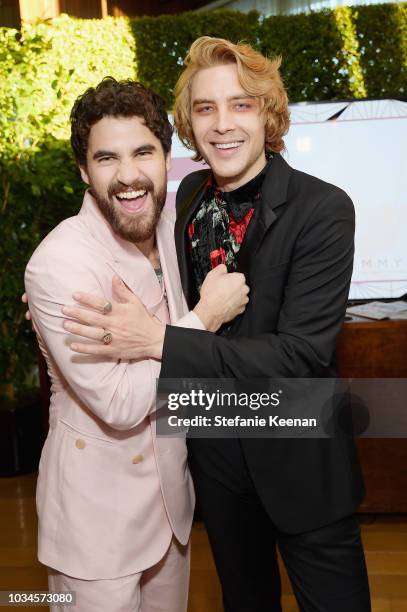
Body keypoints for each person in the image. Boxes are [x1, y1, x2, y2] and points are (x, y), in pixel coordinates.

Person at [50, 38, 372, 611]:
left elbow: (298, 355)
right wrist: (49, 297)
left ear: (269, 116)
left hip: (301, 462)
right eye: (205, 109)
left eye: (241, 105)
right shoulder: (189, 199)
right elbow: (136, 268)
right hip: (216, 466)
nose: (222, 124)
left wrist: (161, 342)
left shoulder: (324, 210)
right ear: (189, 126)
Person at [24, 76, 249, 612]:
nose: (128, 176)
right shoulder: (60, 263)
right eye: (106, 158)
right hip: (96, 520)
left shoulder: (176, 222)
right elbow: (121, 403)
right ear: (84, 170)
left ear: (166, 158)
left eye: (143, 152)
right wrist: (201, 321)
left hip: (170, 504)